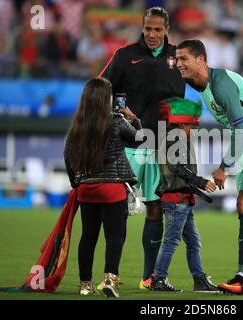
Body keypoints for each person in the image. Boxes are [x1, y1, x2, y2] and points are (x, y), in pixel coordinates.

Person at [176, 40, 243, 294]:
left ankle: (241, 278)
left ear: (201, 60)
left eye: (184, 59)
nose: (179, 64)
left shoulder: (221, 83)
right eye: (177, 59)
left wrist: (223, 167)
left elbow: (240, 128)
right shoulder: (199, 84)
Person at [99, 6, 186, 289]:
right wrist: (114, 113)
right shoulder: (124, 56)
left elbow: (201, 84)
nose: (151, 34)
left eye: (157, 29)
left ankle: (149, 277)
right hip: (128, 145)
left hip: (163, 146)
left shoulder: (178, 57)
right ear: (142, 26)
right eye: (147, 28)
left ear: (167, 30)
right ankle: (110, 275)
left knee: (155, 208)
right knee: (117, 211)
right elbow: (101, 90)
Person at [64, 77, 142, 298]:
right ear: (105, 99)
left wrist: (76, 183)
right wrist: (134, 118)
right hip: (112, 189)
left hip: (86, 190)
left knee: (88, 237)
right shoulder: (116, 121)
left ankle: (84, 285)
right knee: (114, 237)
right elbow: (140, 139)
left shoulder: (77, 125)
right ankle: (109, 278)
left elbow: (68, 156)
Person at [150, 97, 219, 293]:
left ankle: (199, 280)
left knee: (193, 242)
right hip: (176, 200)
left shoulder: (175, 137)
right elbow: (177, 166)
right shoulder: (175, 138)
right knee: (172, 241)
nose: (195, 130)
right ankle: (159, 279)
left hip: (181, 199)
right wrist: (201, 182)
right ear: (181, 122)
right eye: (192, 126)